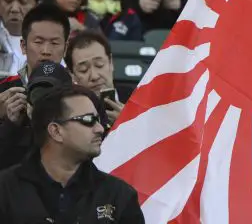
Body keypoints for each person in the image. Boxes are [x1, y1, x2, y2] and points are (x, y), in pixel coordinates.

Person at [0, 86, 144, 223]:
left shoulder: (118, 195)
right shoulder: (6, 190)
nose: (100, 129)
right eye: (88, 120)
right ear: (56, 131)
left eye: (98, 120)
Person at [0, 60, 74, 170]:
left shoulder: (78, 131)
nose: (43, 103)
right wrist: (11, 126)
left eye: (51, 96)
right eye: (37, 94)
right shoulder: (17, 129)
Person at [66, 30, 125, 126]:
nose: (94, 76)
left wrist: (130, 122)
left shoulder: (139, 99)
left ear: (111, 63)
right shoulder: (68, 113)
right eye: (83, 70)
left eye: (99, 65)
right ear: (72, 75)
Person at [0, 0, 42, 76]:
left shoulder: (49, 40)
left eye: (23, 2)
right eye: (8, 1)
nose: (14, 9)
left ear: (36, 5)